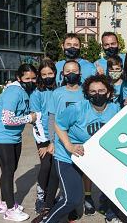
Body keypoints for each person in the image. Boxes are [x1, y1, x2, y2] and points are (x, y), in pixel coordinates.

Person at [40, 75, 120, 223]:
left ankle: (112, 214)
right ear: (87, 93)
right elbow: (58, 124)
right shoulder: (77, 108)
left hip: (88, 159)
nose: (97, 94)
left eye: (101, 91)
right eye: (93, 91)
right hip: (67, 157)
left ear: (109, 93)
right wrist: (69, 145)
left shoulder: (115, 109)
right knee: (72, 199)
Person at [0, 64, 37, 221]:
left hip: (15, 136)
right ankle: (10, 209)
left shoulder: (24, 91)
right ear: (18, 78)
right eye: (27, 78)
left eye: (33, 78)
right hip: (2, 136)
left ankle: (3, 203)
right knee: (8, 170)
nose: (31, 81)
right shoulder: (13, 92)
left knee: (10, 169)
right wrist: (30, 118)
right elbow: (7, 119)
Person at [48, 60, 93, 222]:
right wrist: (51, 140)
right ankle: (56, 212)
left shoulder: (86, 92)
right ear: (63, 74)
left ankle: (74, 209)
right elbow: (52, 118)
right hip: (63, 147)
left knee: (78, 182)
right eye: (68, 71)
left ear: (80, 74)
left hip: (82, 147)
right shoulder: (57, 93)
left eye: (74, 71)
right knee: (67, 184)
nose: (71, 74)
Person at [29, 60, 59, 219]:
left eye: (50, 73)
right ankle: (40, 198)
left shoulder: (59, 90)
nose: (48, 77)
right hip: (43, 136)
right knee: (46, 165)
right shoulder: (36, 93)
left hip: (58, 136)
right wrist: (44, 143)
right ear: (40, 76)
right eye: (44, 74)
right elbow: (36, 120)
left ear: (55, 73)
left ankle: (50, 199)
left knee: (55, 168)